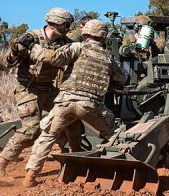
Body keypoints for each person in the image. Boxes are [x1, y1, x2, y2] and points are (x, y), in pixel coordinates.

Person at [22, 19, 127, 188]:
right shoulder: (108, 58)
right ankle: (122, 170)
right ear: (103, 37)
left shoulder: (77, 48)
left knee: (47, 137)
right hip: (91, 106)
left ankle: (30, 176)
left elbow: (53, 57)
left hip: (65, 103)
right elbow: (121, 79)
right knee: (115, 134)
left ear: (85, 34)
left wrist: (32, 47)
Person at [0, 7, 84, 185]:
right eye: (66, 25)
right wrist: (15, 49)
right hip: (28, 89)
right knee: (31, 129)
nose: (68, 28)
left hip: (48, 88)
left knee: (71, 117)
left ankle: (72, 159)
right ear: (53, 24)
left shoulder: (66, 42)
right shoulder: (32, 38)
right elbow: (9, 62)